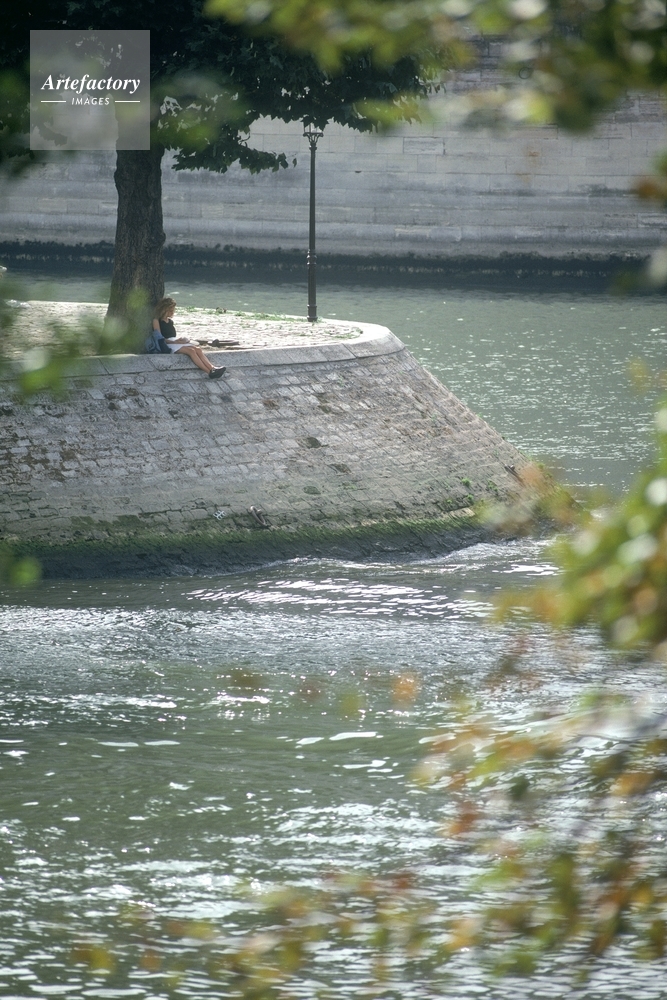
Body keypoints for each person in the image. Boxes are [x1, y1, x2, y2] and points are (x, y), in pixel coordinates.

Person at [153, 298, 227, 379]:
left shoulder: (170, 321)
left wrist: (180, 340)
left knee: (198, 349)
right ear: (165, 310)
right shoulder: (157, 321)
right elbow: (159, 338)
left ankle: (212, 368)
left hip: (175, 341)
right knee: (191, 351)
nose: (173, 312)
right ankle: (208, 372)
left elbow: (172, 335)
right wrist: (176, 342)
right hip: (167, 344)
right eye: (171, 310)